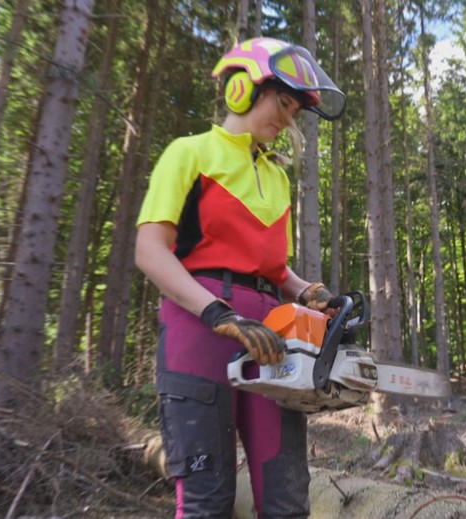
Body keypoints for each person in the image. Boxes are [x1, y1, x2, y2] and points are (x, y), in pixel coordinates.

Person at [134, 37, 346, 519]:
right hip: (198, 329)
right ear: (243, 87)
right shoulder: (189, 153)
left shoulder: (277, 177)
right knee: (207, 501)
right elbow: (150, 251)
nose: (287, 117)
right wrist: (217, 311)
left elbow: (273, 268)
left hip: (271, 339)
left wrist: (308, 292)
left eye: (294, 110)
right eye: (283, 102)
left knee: (287, 500)